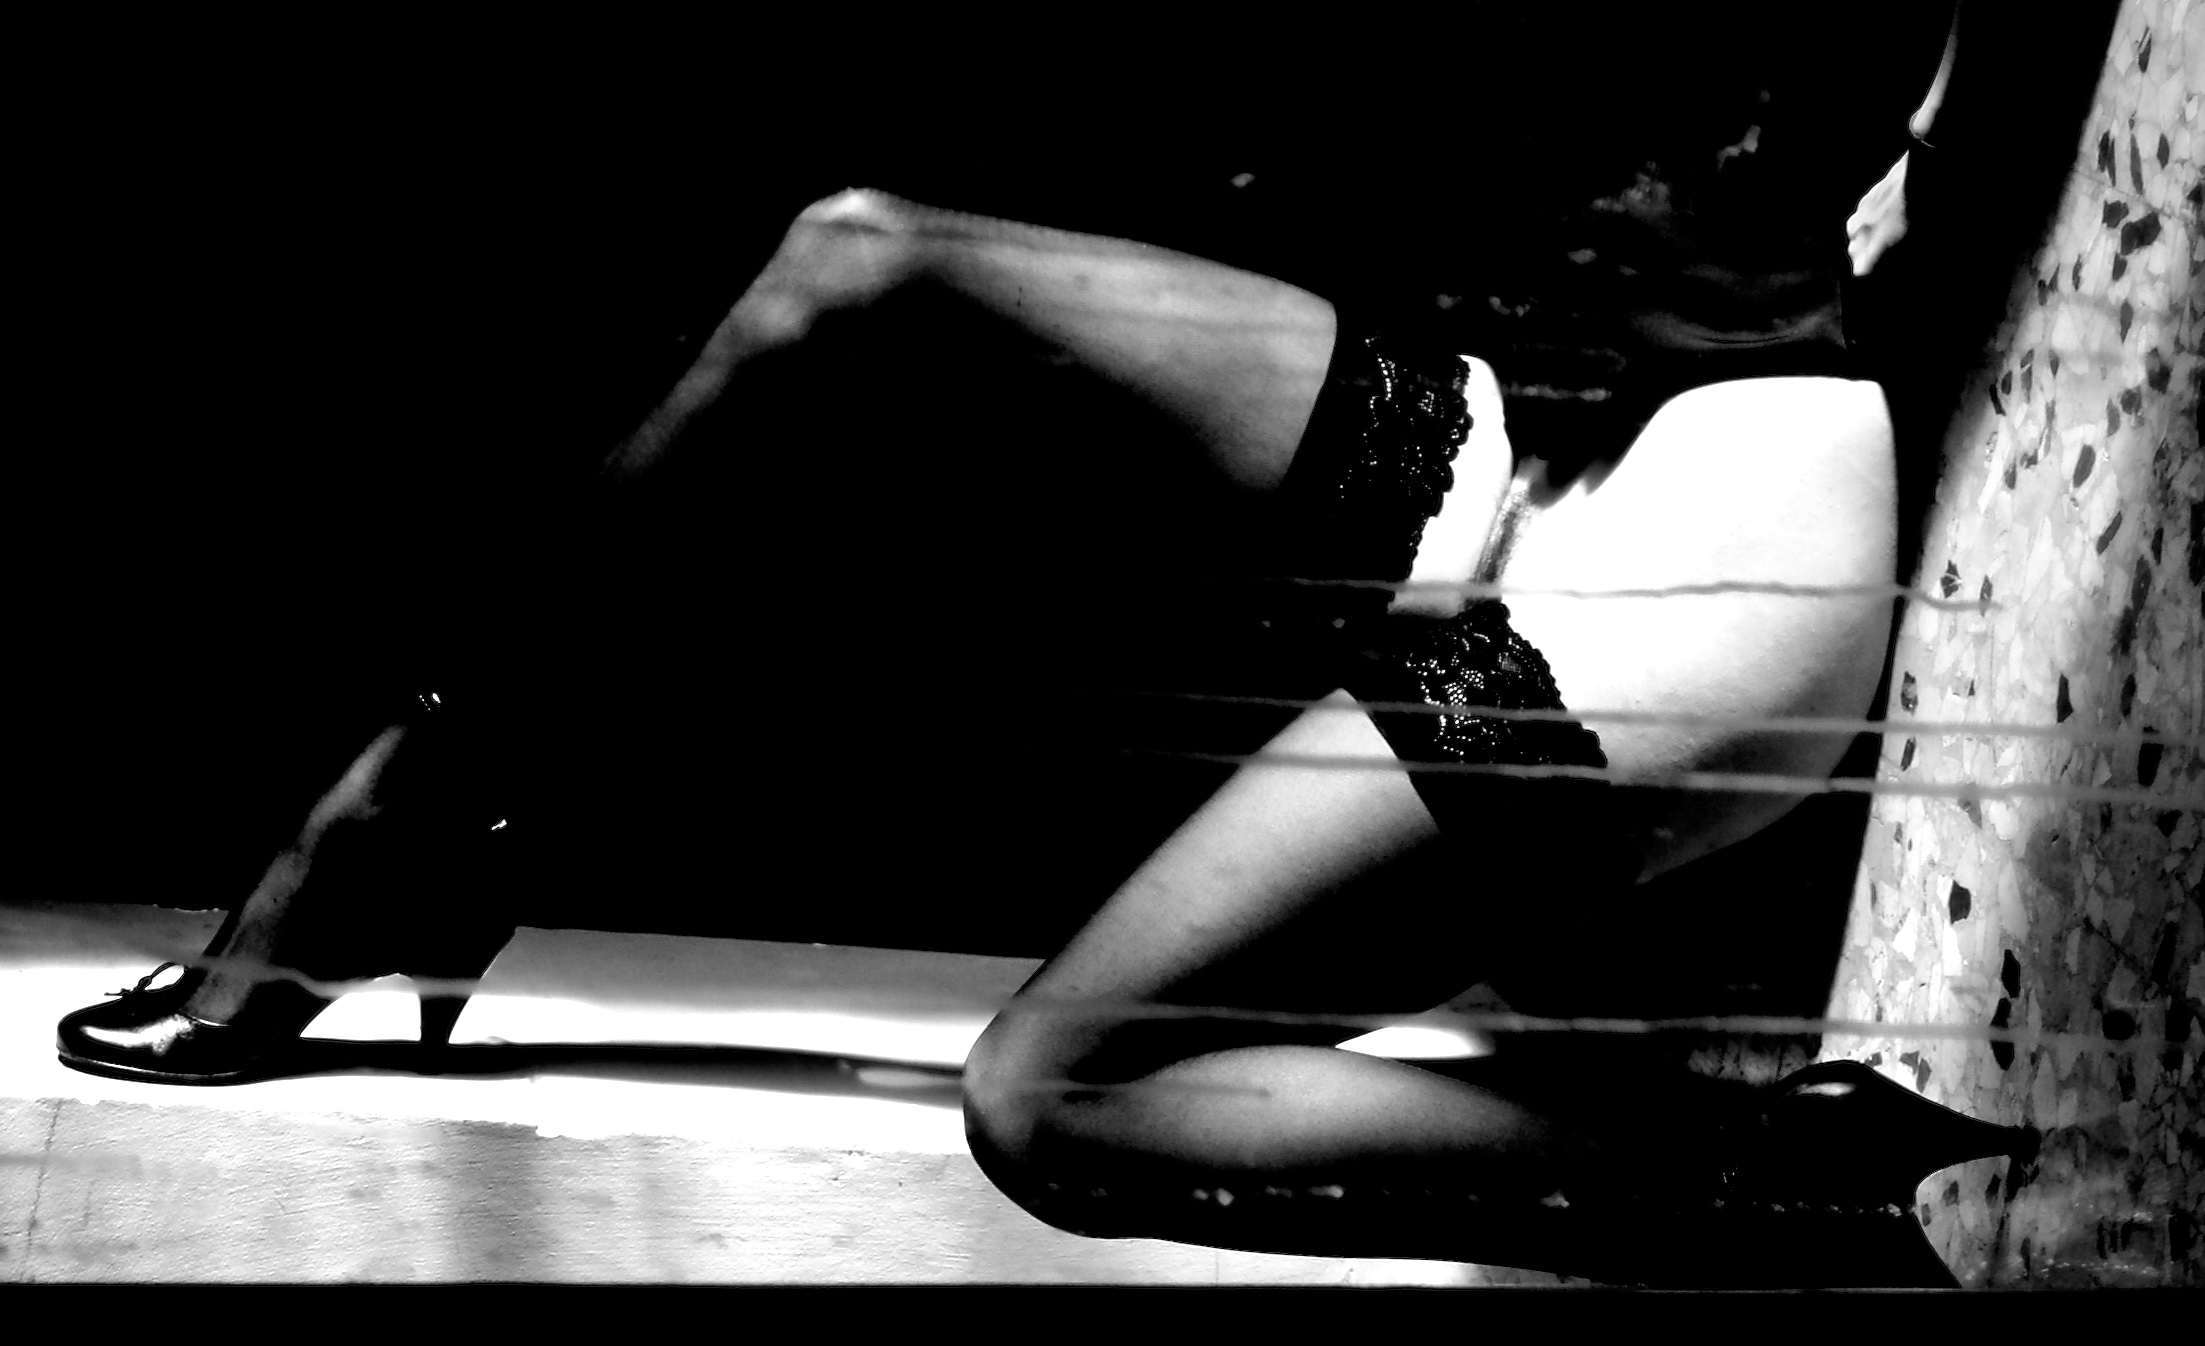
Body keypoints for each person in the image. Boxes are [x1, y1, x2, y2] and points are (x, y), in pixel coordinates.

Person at [56, 3, 2109, 1285]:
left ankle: (1796, 1181)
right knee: (860, 270)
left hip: (1703, 547)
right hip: (1530, 441)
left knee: (1055, 1105)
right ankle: (408, 829)